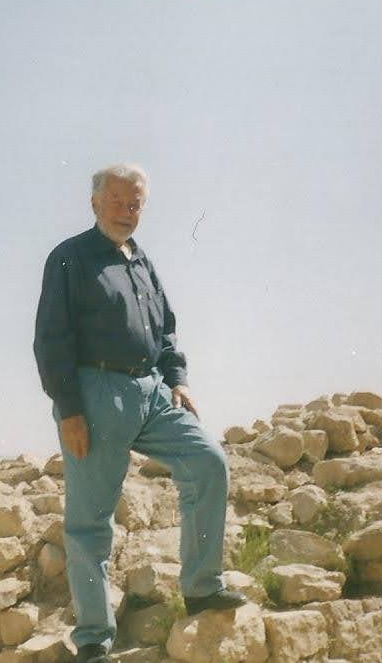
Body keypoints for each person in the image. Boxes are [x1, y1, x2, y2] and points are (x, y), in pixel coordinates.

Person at [33, 163, 246, 663]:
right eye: (117, 201)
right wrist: (70, 409)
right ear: (95, 203)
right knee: (90, 522)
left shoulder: (142, 261)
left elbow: (165, 329)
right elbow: (50, 339)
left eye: (135, 204)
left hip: (153, 391)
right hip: (96, 393)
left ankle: (202, 587)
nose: (127, 211)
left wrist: (178, 380)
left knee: (208, 463)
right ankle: (93, 638)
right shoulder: (69, 257)